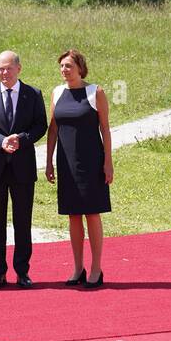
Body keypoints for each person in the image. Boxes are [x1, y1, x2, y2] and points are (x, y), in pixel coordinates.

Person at [0, 51, 47, 288]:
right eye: (0, 69)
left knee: (22, 221)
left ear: (19, 68)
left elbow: (40, 126)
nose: (4, 73)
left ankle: (22, 272)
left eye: (8, 68)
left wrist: (22, 139)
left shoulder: (33, 94)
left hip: (23, 167)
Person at [45, 48, 113, 288]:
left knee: (92, 214)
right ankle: (77, 267)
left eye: (69, 66)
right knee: (73, 215)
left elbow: (105, 128)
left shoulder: (96, 92)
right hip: (66, 163)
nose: (65, 70)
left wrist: (108, 162)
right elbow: (52, 129)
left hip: (92, 162)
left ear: (80, 68)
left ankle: (96, 268)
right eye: (62, 66)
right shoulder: (56, 92)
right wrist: (48, 161)